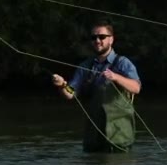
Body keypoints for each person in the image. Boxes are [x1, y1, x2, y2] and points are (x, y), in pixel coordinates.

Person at [52, 19, 141, 153]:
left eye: (102, 37)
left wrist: (115, 77)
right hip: (93, 137)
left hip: (119, 135)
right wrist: (62, 85)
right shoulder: (85, 66)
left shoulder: (123, 63)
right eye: (94, 37)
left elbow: (136, 87)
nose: (97, 41)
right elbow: (71, 93)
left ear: (111, 40)